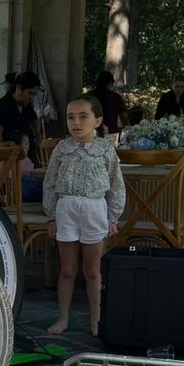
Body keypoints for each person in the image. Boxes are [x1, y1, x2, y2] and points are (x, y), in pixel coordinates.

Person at [43, 94, 125, 339]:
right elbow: (50, 182)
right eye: (71, 117)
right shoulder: (62, 148)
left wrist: (112, 217)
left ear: (97, 121)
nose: (76, 123)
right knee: (67, 269)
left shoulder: (105, 150)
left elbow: (116, 185)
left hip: (94, 210)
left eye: (82, 117)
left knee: (92, 271)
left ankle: (95, 320)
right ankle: (63, 318)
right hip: (66, 209)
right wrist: (51, 216)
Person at [0, 70, 40, 162]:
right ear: (19, 88)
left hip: (20, 159)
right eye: (29, 93)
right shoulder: (3, 106)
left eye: (34, 95)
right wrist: (7, 145)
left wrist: (38, 136)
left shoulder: (26, 107)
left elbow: (35, 121)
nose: (31, 98)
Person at [90, 69, 127, 136]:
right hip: (111, 134)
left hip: (90, 132)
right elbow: (124, 118)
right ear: (110, 83)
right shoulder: (115, 97)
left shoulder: (89, 97)